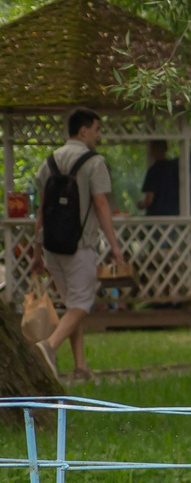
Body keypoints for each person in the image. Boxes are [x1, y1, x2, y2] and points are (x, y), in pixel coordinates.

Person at [35, 109, 129, 379]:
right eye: (97, 130)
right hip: (80, 246)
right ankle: (48, 347)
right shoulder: (94, 162)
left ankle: (80, 367)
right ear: (84, 130)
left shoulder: (49, 162)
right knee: (81, 305)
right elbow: (101, 204)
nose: (99, 136)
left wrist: (37, 250)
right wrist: (115, 246)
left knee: (72, 305)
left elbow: (41, 209)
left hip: (52, 246)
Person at [139, 141, 181, 216]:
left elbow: (149, 200)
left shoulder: (154, 170)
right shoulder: (175, 168)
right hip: (174, 215)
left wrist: (141, 205)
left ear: (152, 150)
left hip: (156, 217)